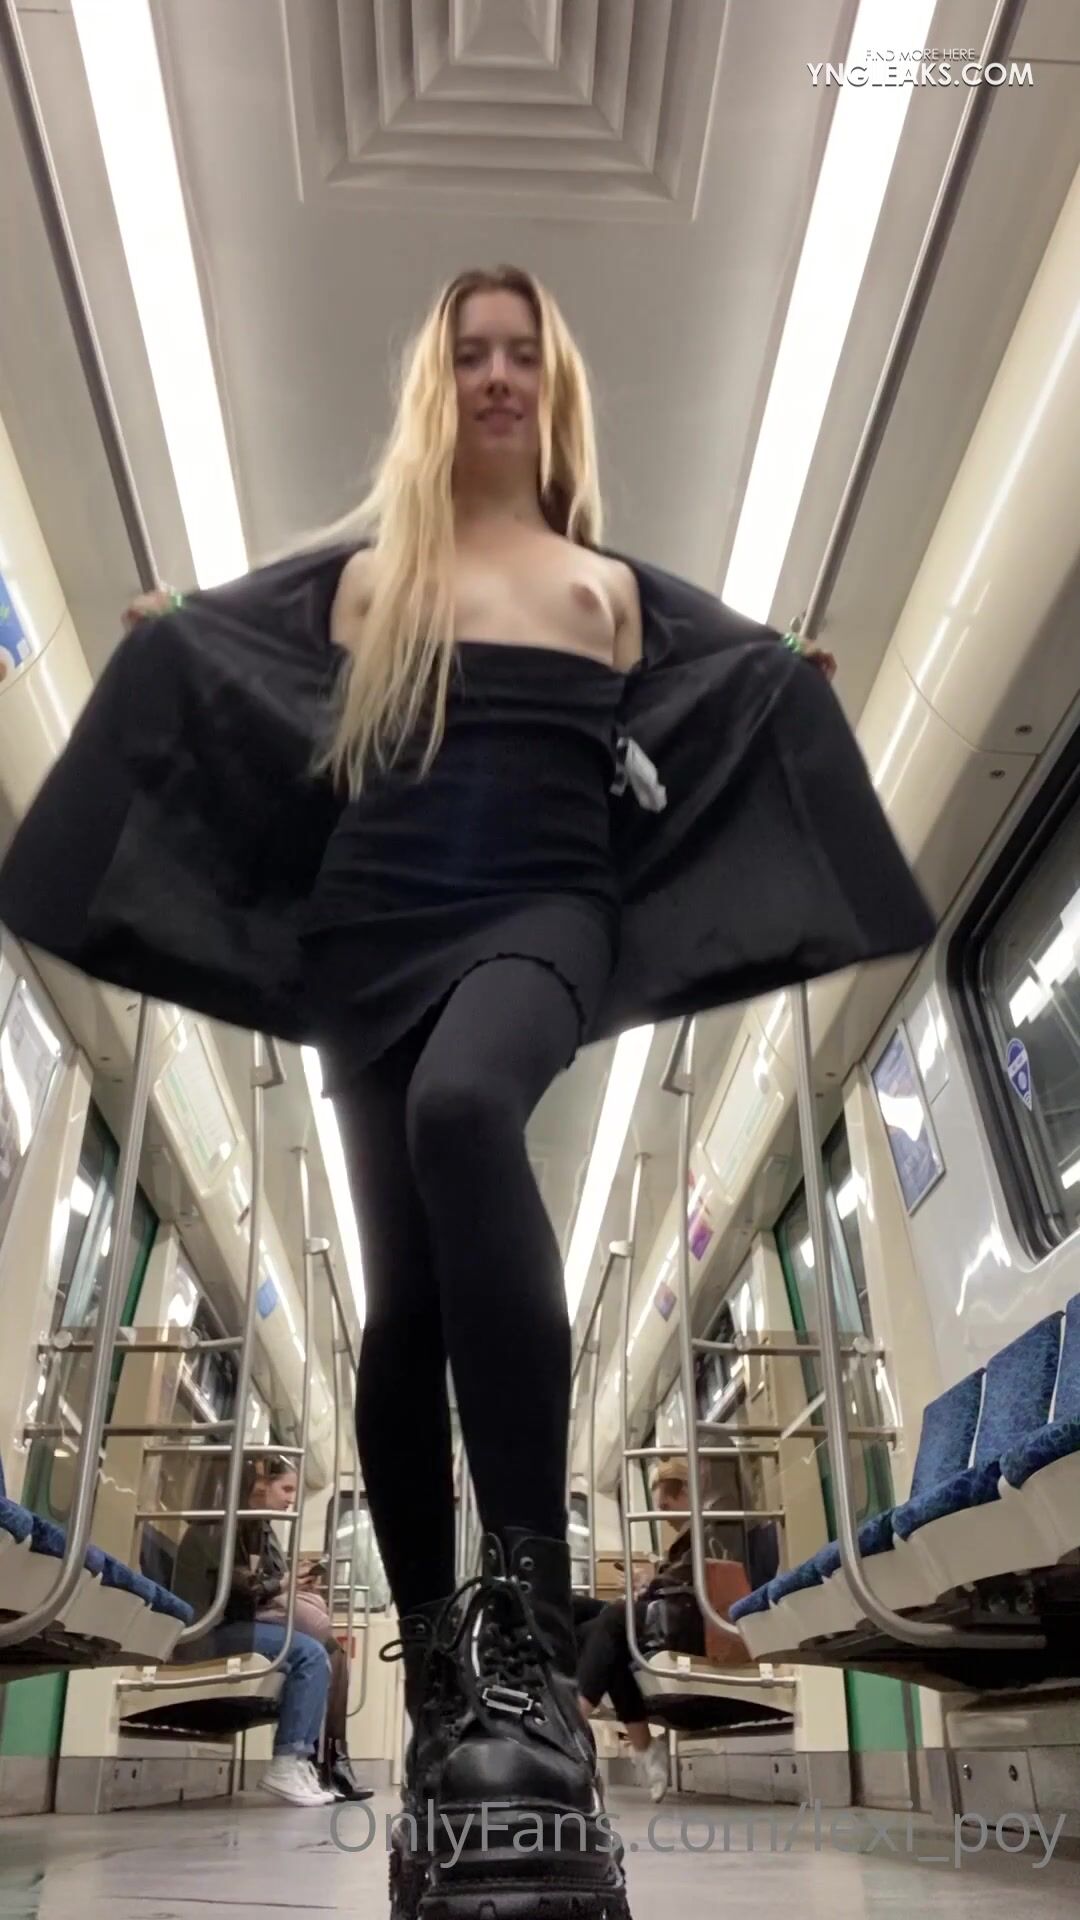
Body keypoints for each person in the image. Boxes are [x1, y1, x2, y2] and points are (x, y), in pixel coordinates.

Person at [4, 261, 935, 1920]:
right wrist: (171, 643)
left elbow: (730, 680)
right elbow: (237, 646)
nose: (497, 372)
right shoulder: (371, 581)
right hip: (369, 926)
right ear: (440, 386)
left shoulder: (608, 591)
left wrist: (791, 675)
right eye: (471, 353)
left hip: (546, 910)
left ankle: (528, 1631)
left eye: (521, 353)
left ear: (552, 387)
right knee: (405, 1308)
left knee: (463, 1112)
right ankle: (442, 1676)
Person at [173, 1454, 373, 1810]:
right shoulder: (218, 1528)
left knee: (321, 1652)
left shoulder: (250, 1528)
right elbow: (239, 1588)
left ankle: (305, 1761)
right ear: (259, 1485)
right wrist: (284, 1583)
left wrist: (285, 1582)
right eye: (287, 1489)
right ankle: (288, 1761)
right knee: (310, 1654)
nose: (291, 1499)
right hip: (207, 1633)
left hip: (231, 1623)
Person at [576, 1458, 710, 1803]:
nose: (664, 1516)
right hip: (670, 1610)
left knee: (611, 1622)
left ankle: (573, 1726)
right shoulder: (684, 1539)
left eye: (666, 1506)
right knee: (593, 1628)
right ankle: (644, 1748)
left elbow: (700, 1580)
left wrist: (652, 1583)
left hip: (692, 1619)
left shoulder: (710, 1528)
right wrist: (650, 1582)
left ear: (685, 1493)